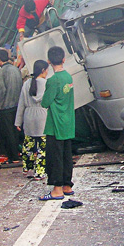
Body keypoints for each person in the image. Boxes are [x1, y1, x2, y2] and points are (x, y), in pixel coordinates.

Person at [39, 46, 75, 201]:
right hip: (68, 122)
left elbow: (45, 102)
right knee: (67, 155)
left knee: (55, 157)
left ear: (48, 62)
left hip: (55, 124)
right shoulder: (68, 77)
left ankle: (57, 189)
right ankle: (67, 185)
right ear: (63, 60)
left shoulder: (53, 81)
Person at [15, 60, 49, 180]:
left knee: (29, 145)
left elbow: (21, 104)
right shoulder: (46, 83)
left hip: (28, 116)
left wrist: (18, 122)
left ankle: (28, 169)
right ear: (43, 70)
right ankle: (40, 172)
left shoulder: (27, 84)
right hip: (42, 116)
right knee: (42, 147)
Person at [0, 49, 23, 163]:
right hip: (17, 105)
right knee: (16, 131)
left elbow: (0, 93)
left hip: (6, 107)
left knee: (8, 132)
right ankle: (18, 152)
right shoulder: (16, 70)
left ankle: (13, 156)